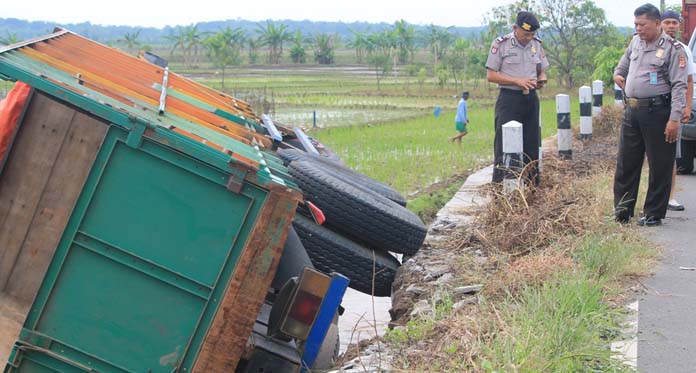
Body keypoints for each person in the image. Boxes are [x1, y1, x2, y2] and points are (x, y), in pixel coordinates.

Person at [613, 3, 688, 227]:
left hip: (659, 111)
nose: (638, 28)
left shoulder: (674, 49)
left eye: (642, 24)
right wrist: (618, 75)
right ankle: (622, 211)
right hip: (633, 111)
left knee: (660, 164)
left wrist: (674, 119)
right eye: (635, 24)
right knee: (626, 162)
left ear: (657, 24)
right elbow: (621, 67)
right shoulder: (635, 41)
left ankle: (653, 213)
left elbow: (679, 86)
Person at [486, 11, 549, 185]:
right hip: (509, 100)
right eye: (525, 34)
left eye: (532, 34)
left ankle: (531, 188)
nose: (528, 38)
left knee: (531, 144)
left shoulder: (536, 44)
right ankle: (501, 188)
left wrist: (541, 78)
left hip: (530, 100)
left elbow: (541, 68)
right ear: (515, 28)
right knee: (504, 145)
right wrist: (517, 81)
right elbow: (491, 75)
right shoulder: (501, 45)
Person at [661, 10, 693, 212]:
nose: (671, 26)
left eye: (675, 22)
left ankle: (670, 196)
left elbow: (689, 81)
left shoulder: (684, 49)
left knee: (671, 153)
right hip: (651, 107)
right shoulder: (648, 45)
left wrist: (687, 106)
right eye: (667, 22)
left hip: (674, 109)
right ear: (659, 24)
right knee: (648, 154)